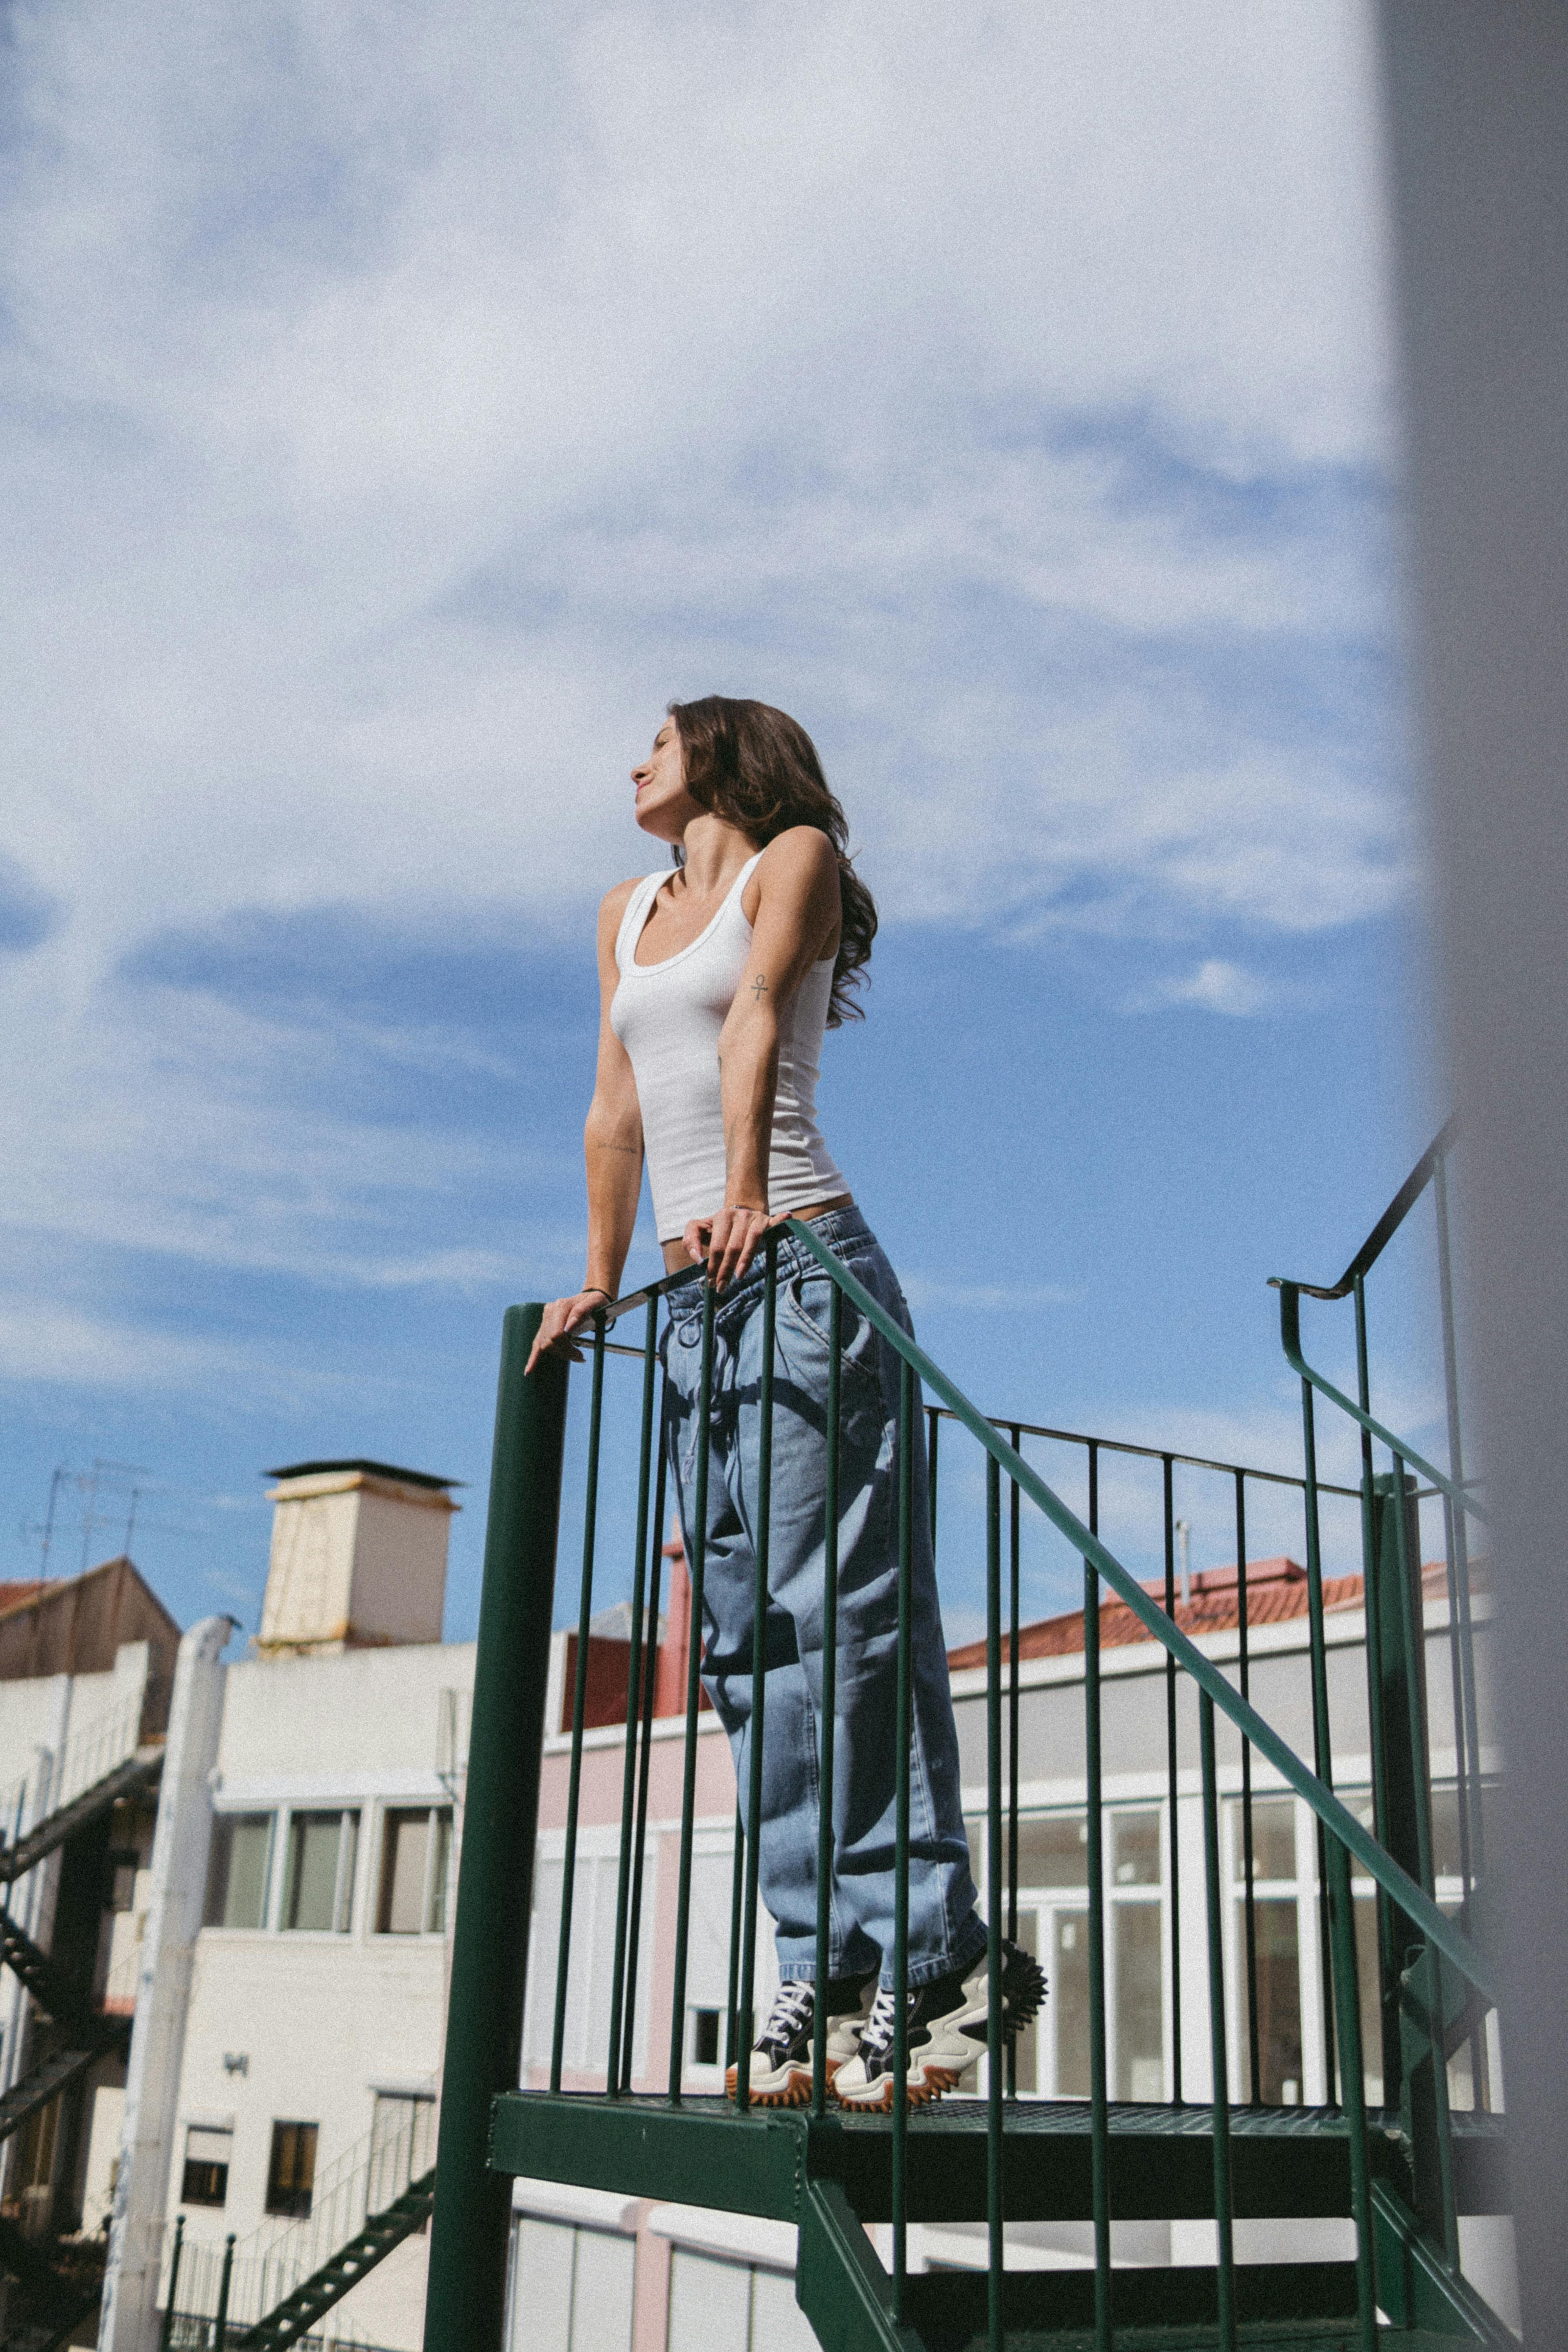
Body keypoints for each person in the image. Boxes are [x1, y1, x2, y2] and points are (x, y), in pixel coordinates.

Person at [528, 696, 1044, 2108]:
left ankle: (931, 1956)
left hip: (804, 1264)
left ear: (721, 754)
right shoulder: (623, 912)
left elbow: (755, 1017)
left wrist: (749, 1194)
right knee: (748, 1642)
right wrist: (595, 1278)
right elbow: (617, 1106)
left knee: (847, 1612)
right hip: (697, 1304)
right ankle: (825, 1960)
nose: (633, 760)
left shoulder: (791, 856)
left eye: (659, 737)